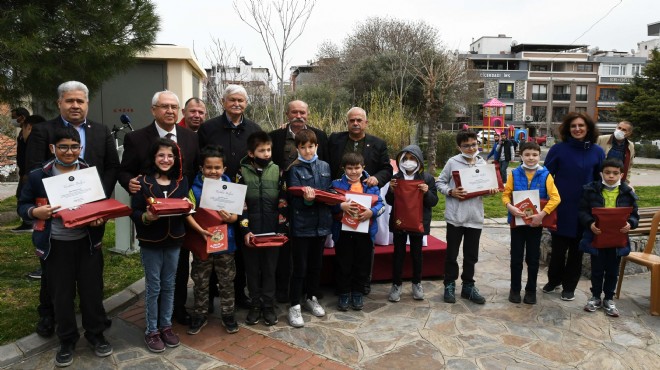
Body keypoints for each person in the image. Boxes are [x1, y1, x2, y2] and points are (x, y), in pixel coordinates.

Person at [25, 81, 120, 339]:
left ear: (87, 103)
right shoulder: (44, 131)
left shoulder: (101, 131)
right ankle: (49, 314)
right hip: (55, 214)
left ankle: (95, 316)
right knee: (53, 272)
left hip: (91, 214)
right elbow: (33, 167)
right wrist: (53, 202)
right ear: (59, 103)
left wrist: (99, 198)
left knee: (91, 269)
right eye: (70, 100)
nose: (75, 105)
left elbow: (112, 166)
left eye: (80, 101)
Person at [18, 127, 111, 367]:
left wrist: (100, 218)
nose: (69, 152)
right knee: (62, 296)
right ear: (53, 149)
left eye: (74, 146)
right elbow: (23, 205)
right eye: (63, 147)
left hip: (87, 243)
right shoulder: (39, 176)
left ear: (80, 148)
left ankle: (96, 335)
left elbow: (99, 204)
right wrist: (33, 212)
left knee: (92, 292)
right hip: (56, 245)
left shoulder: (90, 174)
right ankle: (67, 340)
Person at [119, 90, 200, 326]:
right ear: (154, 110)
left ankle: (178, 308)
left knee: (182, 263)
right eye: (164, 106)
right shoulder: (136, 138)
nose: (170, 111)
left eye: (174, 107)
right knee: (156, 276)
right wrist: (129, 183)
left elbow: (194, 171)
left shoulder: (190, 137)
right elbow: (124, 170)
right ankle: (154, 320)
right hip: (151, 216)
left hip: (180, 215)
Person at [198, 84, 262, 309]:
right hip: (214, 194)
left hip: (244, 193)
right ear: (224, 102)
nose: (237, 104)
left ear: (246, 103)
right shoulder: (209, 128)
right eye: (232, 100)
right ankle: (212, 289)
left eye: (241, 101)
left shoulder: (254, 129)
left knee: (240, 244)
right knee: (216, 239)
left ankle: (238, 291)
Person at [130, 138, 188, 353]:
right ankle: (152, 330)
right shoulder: (142, 182)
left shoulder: (181, 181)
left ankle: (166, 326)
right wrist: (145, 217)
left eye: (170, 156)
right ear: (154, 158)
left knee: (169, 284)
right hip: (151, 241)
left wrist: (188, 207)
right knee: (154, 286)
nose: (166, 159)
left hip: (174, 239)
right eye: (161, 155)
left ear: (176, 159)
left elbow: (187, 206)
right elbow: (134, 211)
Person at [327, 107, 393, 294]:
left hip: (366, 202)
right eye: (351, 120)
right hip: (341, 200)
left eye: (359, 120)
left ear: (366, 122)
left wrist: (377, 179)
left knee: (365, 248)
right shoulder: (334, 139)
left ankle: (363, 283)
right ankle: (343, 286)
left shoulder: (378, 143)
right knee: (343, 248)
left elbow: (387, 169)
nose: (355, 123)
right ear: (347, 122)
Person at [269, 99, 328, 303]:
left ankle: (309, 292)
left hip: (312, 206)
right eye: (294, 112)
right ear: (287, 114)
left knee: (309, 256)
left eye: (302, 112)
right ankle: (284, 290)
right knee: (285, 249)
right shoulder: (275, 136)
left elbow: (325, 169)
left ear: (308, 114)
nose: (298, 116)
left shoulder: (319, 136)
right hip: (282, 201)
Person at [543, 112, 605, 301]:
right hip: (561, 208)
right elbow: (545, 177)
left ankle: (569, 286)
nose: (577, 129)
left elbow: (600, 180)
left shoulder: (597, 151)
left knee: (577, 252)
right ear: (568, 129)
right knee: (558, 251)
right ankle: (554, 280)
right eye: (573, 126)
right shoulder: (558, 150)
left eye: (581, 125)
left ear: (588, 128)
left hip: (584, 210)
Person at [436, 130, 499, 305]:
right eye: (466, 145)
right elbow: (439, 182)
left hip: (475, 217)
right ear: (459, 147)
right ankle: (449, 284)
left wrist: (491, 190)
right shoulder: (452, 162)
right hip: (456, 217)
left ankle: (468, 286)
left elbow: (483, 189)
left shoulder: (482, 162)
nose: (471, 148)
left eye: (473, 144)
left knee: (471, 255)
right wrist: (451, 191)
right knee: (452, 254)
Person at [185, 145, 239, 335]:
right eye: (209, 167)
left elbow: (235, 216)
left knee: (226, 280)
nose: (213, 171)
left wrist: (229, 218)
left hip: (226, 242)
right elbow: (187, 212)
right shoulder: (194, 188)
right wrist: (199, 230)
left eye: (217, 168)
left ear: (224, 169)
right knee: (200, 281)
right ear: (202, 168)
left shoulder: (230, 187)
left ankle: (228, 314)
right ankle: (199, 314)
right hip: (202, 243)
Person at [238, 132, 289, 326]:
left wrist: (281, 228)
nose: (266, 153)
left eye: (269, 150)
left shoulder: (278, 171)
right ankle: (255, 305)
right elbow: (239, 204)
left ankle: (268, 305)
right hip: (251, 232)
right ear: (251, 153)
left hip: (272, 233)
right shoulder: (241, 172)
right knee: (252, 270)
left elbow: (283, 201)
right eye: (262, 150)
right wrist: (245, 230)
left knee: (269, 269)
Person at [501, 142, 560, 305]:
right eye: (527, 154)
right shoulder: (514, 173)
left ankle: (531, 290)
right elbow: (506, 194)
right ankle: (514, 289)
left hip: (535, 224)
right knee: (516, 257)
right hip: (517, 223)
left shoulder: (546, 175)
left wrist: (542, 215)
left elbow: (556, 198)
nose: (531, 158)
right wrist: (510, 207)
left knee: (533, 259)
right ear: (521, 156)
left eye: (534, 155)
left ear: (539, 156)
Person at [579, 158, 639, 317]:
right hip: (596, 238)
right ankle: (595, 297)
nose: (611, 176)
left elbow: (634, 215)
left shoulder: (628, 193)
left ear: (622, 174)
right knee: (597, 269)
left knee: (612, 271)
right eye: (607, 173)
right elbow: (582, 212)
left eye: (615, 173)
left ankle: (609, 299)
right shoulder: (591, 191)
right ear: (601, 174)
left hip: (617, 240)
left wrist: (630, 224)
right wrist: (590, 223)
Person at [286, 129, 333, 327]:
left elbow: (329, 190)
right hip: (301, 226)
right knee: (300, 267)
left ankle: (311, 297)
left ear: (317, 147)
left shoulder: (325, 166)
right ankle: (294, 305)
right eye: (303, 147)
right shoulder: (293, 170)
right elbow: (292, 201)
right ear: (297, 148)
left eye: (311, 147)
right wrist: (306, 201)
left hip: (321, 225)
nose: (307, 151)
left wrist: (333, 197)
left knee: (316, 265)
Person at [331, 152, 384, 311]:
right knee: (344, 263)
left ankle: (358, 293)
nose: (353, 172)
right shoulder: (336, 184)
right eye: (350, 168)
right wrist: (340, 206)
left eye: (357, 168)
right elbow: (329, 204)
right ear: (343, 168)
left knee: (362, 263)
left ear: (363, 167)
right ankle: (344, 293)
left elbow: (381, 205)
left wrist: (371, 212)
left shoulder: (371, 185)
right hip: (344, 231)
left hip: (365, 231)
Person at [385, 145, 438, 303]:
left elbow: (433, 202)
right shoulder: (396, 178)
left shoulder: (427, 178)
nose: (409, 162)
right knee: (398, 254)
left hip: (418, 222)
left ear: (419, 160)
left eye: (412, 158)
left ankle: (417, 283)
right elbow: (389, 201)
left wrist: (427, 192)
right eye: (406, 158)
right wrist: (391, 190)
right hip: (399, 221)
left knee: (417, 254)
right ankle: (396, 284)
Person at [10, 107, 33, 233]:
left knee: (23, 195)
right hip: (23, 171)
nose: (13, 120)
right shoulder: (21, 132)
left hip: (27, 171)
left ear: (22, 117)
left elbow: (29, 153)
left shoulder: (29, 131)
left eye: (15, 117)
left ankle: (28, 223)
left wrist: (27, 171)